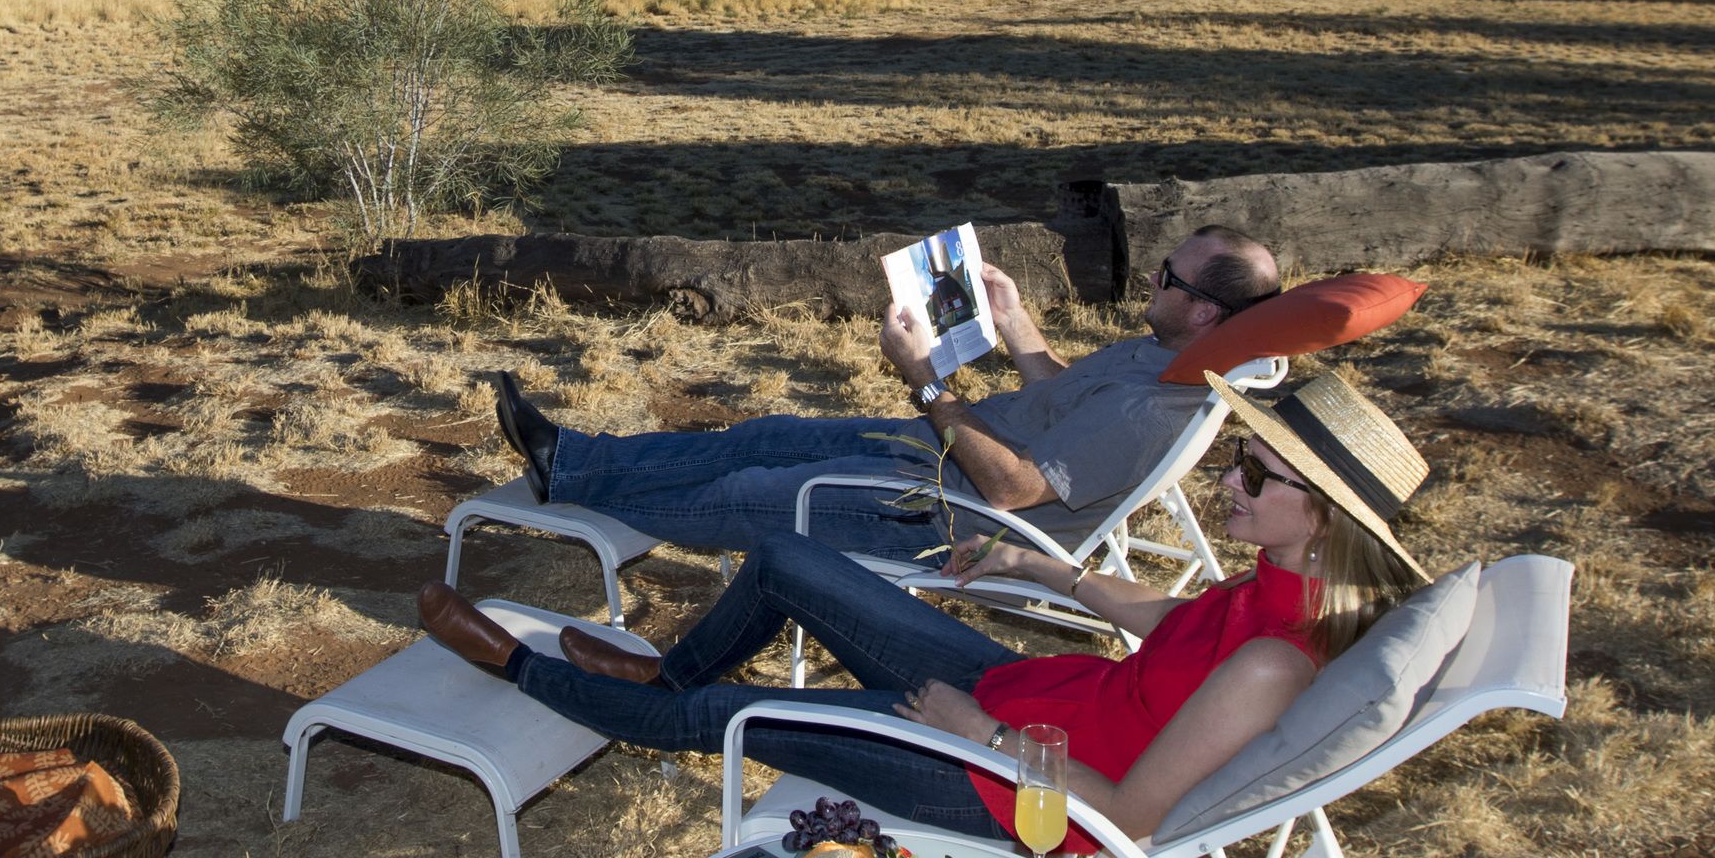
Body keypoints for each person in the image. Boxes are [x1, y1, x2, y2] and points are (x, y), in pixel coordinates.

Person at [417, 368, 1435, 851]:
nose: (1231, 481)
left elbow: (1129, 815)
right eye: (1242, 460)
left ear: (1325, 518)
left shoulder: (1279, 664)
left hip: (1008, 785)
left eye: (1257, 474)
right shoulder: (1279, 588)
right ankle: (664, 669)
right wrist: (1049, 577)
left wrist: (978, 734)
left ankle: (516, 665)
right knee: (785, 557)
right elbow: (1174, 630)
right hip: (1026, 699)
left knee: (734, 720)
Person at [484, 227, 1282, 560]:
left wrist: (925, 377)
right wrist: (1013, 323)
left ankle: (589, 501)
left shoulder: (1158, 405)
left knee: (751, 492)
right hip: (945, 455)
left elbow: (1011, 491)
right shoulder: (1167, 354)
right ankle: (573, 464)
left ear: (1207, 310)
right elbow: (1065, 403)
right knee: (767, 433)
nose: (1153, 276)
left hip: (945, 509)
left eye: (1168, 276)